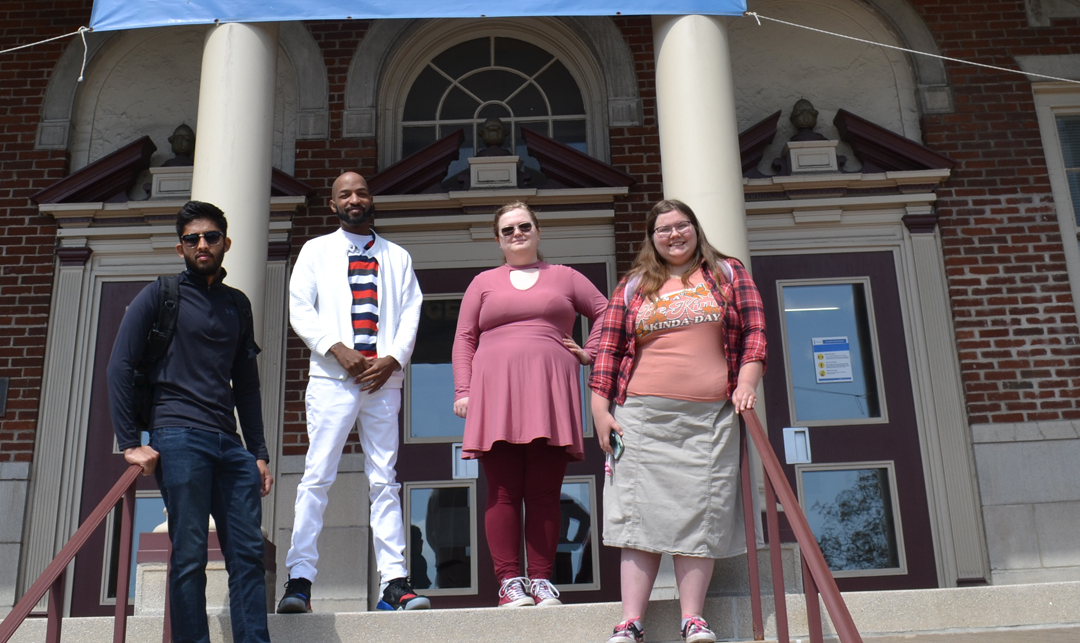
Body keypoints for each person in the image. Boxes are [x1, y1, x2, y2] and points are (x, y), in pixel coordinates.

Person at [587, 199, 767, 643]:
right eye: (663, 229)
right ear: (652, 238)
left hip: (709, 420)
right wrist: (600, 411)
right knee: (637, 520)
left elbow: (754, 332)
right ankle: (630, 621)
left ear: (695, 228)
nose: (673, 235)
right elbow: (608, 349)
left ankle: (693, 618)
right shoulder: (633, 285)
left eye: (681, 225)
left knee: (699, 515)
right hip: (643, 418)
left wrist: (747, 382)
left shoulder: (726, 273)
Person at [107, 200, 271, 643]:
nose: (202, 244)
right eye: (192, 239)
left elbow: (247, 385)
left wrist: (257, 452)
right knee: (190, 553)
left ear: (226, 244)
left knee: (248, 554)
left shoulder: (237, 304)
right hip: (178, 436)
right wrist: (129, 441)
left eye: (211, 237)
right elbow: (120, 365)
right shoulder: (161, 294)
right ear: (180, 249)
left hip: (229, 444)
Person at [280, 171, 429, 613]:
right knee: (317, 476)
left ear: (370, 199)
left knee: (384, 480)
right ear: (333, 205)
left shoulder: (396, 256)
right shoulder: (316, 251)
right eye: (344, 193)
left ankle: (395, 582)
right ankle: (299, 581)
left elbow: (411, 312)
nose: (354, 198)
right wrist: (336, 349)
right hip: (333, 379)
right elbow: (299, 308)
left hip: (382, 382)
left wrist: (393, 359)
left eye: (361, 192)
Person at [451, 200, 609, 608]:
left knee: (543, 493)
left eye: (524, 226)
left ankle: (539, 579)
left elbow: (607, 314)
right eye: (508, 230)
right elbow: (464, 338)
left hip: (550, 393)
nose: (517, 234)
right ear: (498, 241)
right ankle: (509, 584)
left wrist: (589, 352)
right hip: (494, 395)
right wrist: (463, 391)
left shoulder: (565, 277)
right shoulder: (483, 282)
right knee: (502, 492)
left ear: (538, 233)